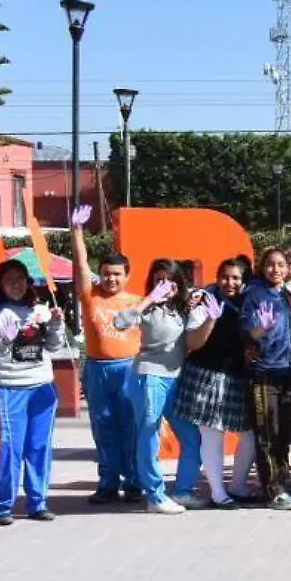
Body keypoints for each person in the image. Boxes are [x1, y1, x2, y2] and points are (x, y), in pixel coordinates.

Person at [0, 258, 67, 526]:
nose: (15, 284)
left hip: (42, 386)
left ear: (28, 282)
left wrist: (56, 324)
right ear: (0, 284)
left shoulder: (39, 310)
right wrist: (6, 340)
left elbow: (54, 347)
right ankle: (2, 505)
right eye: (9, 279)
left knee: (39, 447)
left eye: (20, 278)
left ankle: (37, 503)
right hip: (10, 388)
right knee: (11, 448)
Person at [69, 204, 143, 504]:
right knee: (103, 427)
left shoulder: (137, 301)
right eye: (106, 274)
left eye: (116, 274)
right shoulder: (90, 296)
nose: (111, 279)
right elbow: (81, 267)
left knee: (131, 427)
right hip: (97, 370)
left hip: (129, 369)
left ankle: (135, 481)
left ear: (126, 275)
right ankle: (108, 482)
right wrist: (76, 232)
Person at [117, 258, 196, 515]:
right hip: (149, 377)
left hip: (176, 380)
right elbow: (120, 322)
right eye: (158, 280)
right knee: (149, 434)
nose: (164, 285)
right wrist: (150, 298)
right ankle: (154, 495)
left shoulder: (181, 308)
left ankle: (183, 490)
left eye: (169, 280)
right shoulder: (147, 309)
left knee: (191, 437)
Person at [173, 258, 248, 509]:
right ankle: (218, 493)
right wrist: (210, 319)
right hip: (206, 375)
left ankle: (238, 485)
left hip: (235, 377)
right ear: (217, 277)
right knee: (212, 435)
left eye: (236, 278)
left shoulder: (246, 301)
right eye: (226, 277)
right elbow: (193, 343)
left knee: (250, 435)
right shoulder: (205, 302)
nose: (230, 282)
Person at [240, 248, 291, 511]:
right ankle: (273, 490)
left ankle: (282, 480)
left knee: (284, 432)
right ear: (261, 267)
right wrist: (260, 329)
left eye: (281, 265)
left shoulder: (288, 295)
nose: (276, 269)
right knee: (266, 432)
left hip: (287, 372)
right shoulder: (255, 295)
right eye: (270, 265)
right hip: (263, 372)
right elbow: (248, 332)